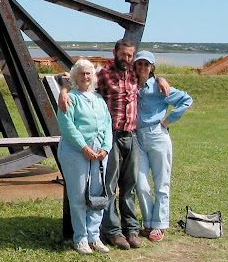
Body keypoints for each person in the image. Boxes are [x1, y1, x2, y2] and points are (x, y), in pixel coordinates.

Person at [58, 39, 170, 250]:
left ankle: (131, 229)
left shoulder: (134, 73)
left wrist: (160, 78)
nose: (127, 58)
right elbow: (78, 79)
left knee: (129, 184)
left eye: (130, 55)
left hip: (130, 135)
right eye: (123, 54)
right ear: (115, 53)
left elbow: (149, 75)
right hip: (111, 136)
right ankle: (112, 231)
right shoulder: (104, 74)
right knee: (107, 186)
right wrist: (64, 91)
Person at [133, 50, 193, 242]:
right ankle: (148, 222)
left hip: (157, 135)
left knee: (161, 182)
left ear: (152, 68)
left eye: (146, 64)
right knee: (141, 184)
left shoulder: (159, 88)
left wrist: (168, 120)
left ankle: (159, 225)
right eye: (139, 63)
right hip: (137, 137)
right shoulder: (131, 85)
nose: (142, 67)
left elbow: (186, 100)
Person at [56, 59, 112, 255]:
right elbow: (67, 126)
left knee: (97, 194)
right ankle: (80, 238)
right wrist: (84, 147)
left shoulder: (99, 100)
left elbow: (107, 125)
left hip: (99, 152)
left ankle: (94, 236)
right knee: (78, 195)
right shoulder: (70, 98)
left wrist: (106, 147)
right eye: (82, 73)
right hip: (75, 151)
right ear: (75, 76)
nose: (86, 77)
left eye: (89, 73)